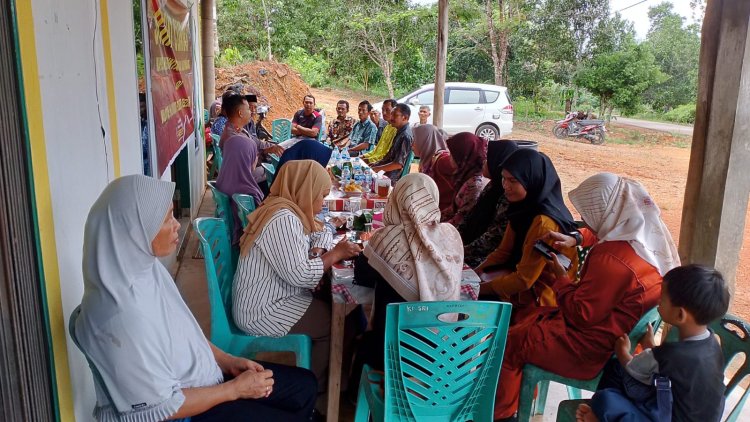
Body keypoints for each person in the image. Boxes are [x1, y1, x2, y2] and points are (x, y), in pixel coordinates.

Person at [75, 175, 317, 422]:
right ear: (134, 229)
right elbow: (164, 408)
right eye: (167, 218)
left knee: (305, 386)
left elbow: (185, 334)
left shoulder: (147, 270)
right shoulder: (121, 319)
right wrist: (235, 390)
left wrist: (228, 361)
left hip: (208, 380)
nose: (177, 224)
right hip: (188, 412)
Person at [491, 172, 681, 421]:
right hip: (617, 337)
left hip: (589, 349)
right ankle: (519, 398)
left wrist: (561, 278)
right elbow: (601, 233)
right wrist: (576, 237)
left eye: (588, 215)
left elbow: (580, 314)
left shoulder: (611, 259)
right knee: (524, 321)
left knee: (511, 341)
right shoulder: (645, 237)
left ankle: (501, 413)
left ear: (608, 213)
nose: (584, 220)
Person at [232, 160, 362, 395]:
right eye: (320, 196)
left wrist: (319, 251)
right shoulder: (282, 218)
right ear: (305, 190)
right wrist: (335, 254)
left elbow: (319, 228)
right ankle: (316, 389)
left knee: (340, 314)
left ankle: (328, 379)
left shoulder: (287, 208)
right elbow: (301, 275)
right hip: (262, 309)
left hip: (272, 296)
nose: (321, 203)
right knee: (338, 323)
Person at [350, 173, 463, 381]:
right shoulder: (450, 235)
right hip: (443, 348)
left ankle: (358, 398)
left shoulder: (386, 237)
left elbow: (362, 276)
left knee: (362, 340)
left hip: (392, 349)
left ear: (397, 200)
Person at [579, 264, 728, 422]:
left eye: (662, 298)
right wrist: (650, 348)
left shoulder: (669, 354)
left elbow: (631, 367)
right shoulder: (712, 343)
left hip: (667, 415)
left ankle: (602, 416)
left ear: (680, 314)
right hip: (683, 410)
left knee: (607, 394)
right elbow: (675, 370)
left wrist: (623, 351)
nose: (658, 301)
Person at [476, 148, 578, 316]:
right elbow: (503, 252)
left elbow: (524, 280)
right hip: (519, 282)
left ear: (533, 180)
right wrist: (474, 273)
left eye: (513, 180)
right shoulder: (522, 208)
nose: (505, 186)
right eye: (503, 178)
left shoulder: (544, 223)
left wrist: (479, 289)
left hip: (543, 298)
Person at [457, 140, 518, 268]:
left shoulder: (507, 196)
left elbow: (491, 240)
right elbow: (470, 216)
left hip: (483, 260)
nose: (484, 162)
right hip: (466, 248)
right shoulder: (492, 186)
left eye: (488, 158)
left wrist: (459, 251)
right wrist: (453, 237)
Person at [216, 134, 265, 245]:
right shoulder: (248, 192)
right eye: (255, 155)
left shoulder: (221, 181)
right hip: (244, 246)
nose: (256, 158)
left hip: (226, 238)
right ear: (248, 157)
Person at [442, 133, 489, 226]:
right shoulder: (466, 175)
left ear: (463, 155)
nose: (449, 158)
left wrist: (436, 228)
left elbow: (461, 220)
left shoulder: (474, 184)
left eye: (452, 154)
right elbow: (453, 209)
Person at [411, 124, 455, 212]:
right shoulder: (428, 161)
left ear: (423, 141)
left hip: (444, 215)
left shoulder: (442, 160)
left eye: (414, 141)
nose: (412, 145)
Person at [370, 103, 414, 183]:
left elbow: (398, 164)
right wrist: (376, 164)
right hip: (385, 172)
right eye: (392, 114)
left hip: (391, 177)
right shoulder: (399, 131)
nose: (391, 118)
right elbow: (390, 156)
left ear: (405, 118)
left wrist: (376, 168)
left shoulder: (405, 136)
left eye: (395, 115)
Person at [362, 99, 397, 164]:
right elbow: (377, 149)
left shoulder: (395, 130)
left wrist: (368, 160)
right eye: (383, 110)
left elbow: (387, 154)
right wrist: (364, 156)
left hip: (381, 164)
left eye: (387, 110)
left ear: (394, 111)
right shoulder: (387, 127)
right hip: (374, 160)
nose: (384, 113)